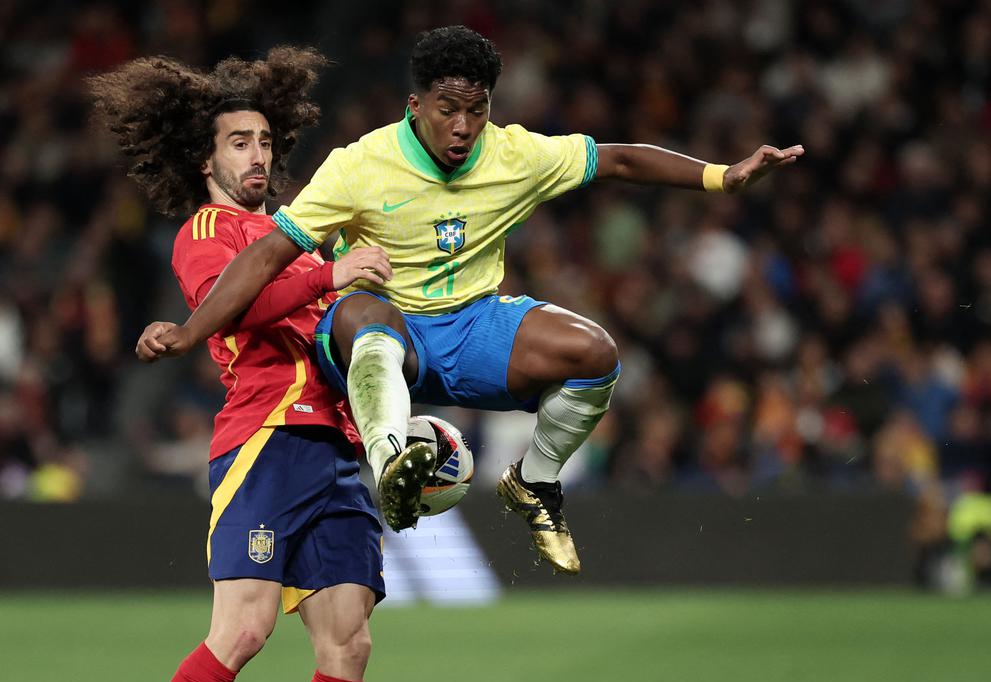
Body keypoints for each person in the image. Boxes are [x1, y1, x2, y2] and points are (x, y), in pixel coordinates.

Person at [146, 26, 804, 575]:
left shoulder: (513, 154)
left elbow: (620, 160)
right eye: (447, 109)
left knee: (595, 355)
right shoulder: (358, 165)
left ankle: (534, 481)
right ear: (415, 105)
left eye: (477, 109)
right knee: (364, 310)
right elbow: (266, 257)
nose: (462, 126)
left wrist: (724, 177)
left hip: (470, 329)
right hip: (381, 332)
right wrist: (187, 331)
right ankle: (390, 464)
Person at [88, 48, 394, 682]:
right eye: (238, 143)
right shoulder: (207, 232)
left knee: (349, 643)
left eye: (264, 141)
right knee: (243, 629)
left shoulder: (299, 238)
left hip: (334, 448)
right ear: (207, 160)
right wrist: (328, 275)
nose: (257, 155)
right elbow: (228, 310)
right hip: (268, 438)